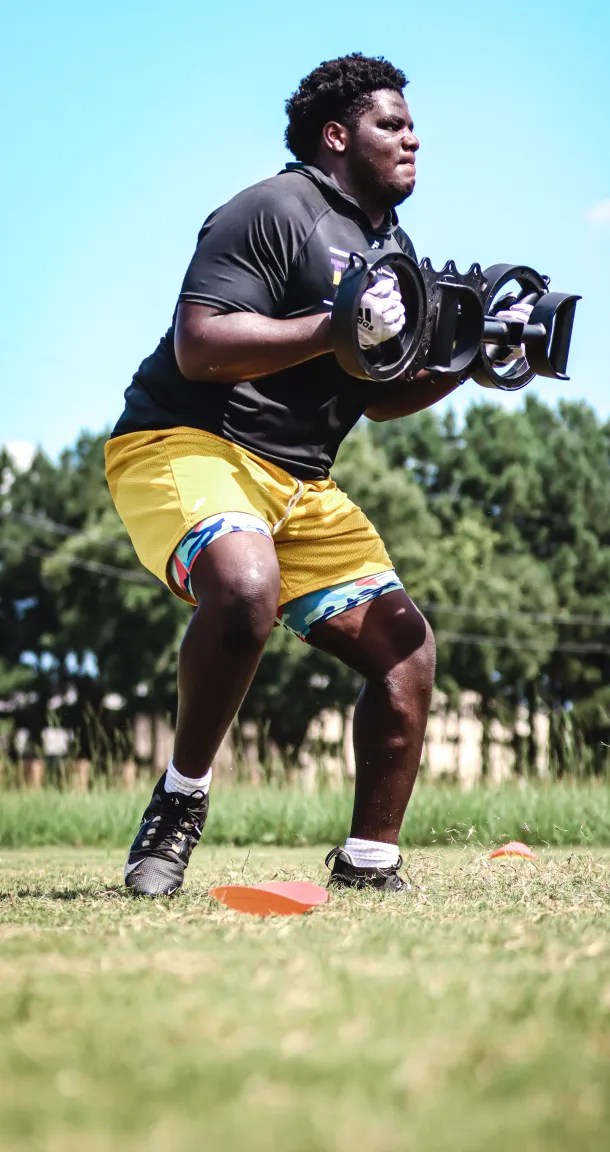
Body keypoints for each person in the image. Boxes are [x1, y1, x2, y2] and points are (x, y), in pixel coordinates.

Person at [105, 52, 530, 898]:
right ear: (338, 136)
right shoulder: (272, 208)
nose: (413, 138)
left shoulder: (392, 247)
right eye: (391, 125)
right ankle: (180, 801)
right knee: (244, 586)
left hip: (301, 481)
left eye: (412, 126)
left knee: (405, 652)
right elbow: (201, 343)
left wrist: (473, 362)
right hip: (185, 441)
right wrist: (331, 326)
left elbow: (376, 397)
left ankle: (369, 861)